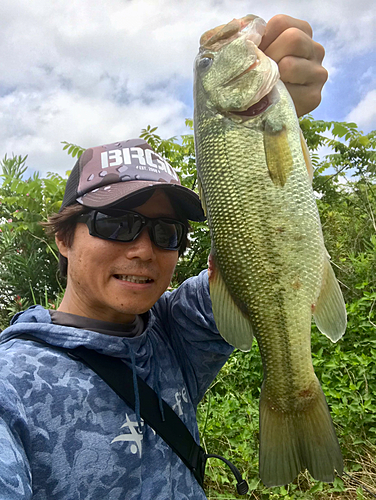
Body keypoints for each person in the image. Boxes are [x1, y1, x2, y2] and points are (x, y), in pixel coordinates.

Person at [0, 15, 327, 500]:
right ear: (63, 239)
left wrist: (276, 121)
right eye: (115, 222)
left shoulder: (175, 334)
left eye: (167, 231)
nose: (144, 249)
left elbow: (252, 252)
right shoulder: (11, 389)